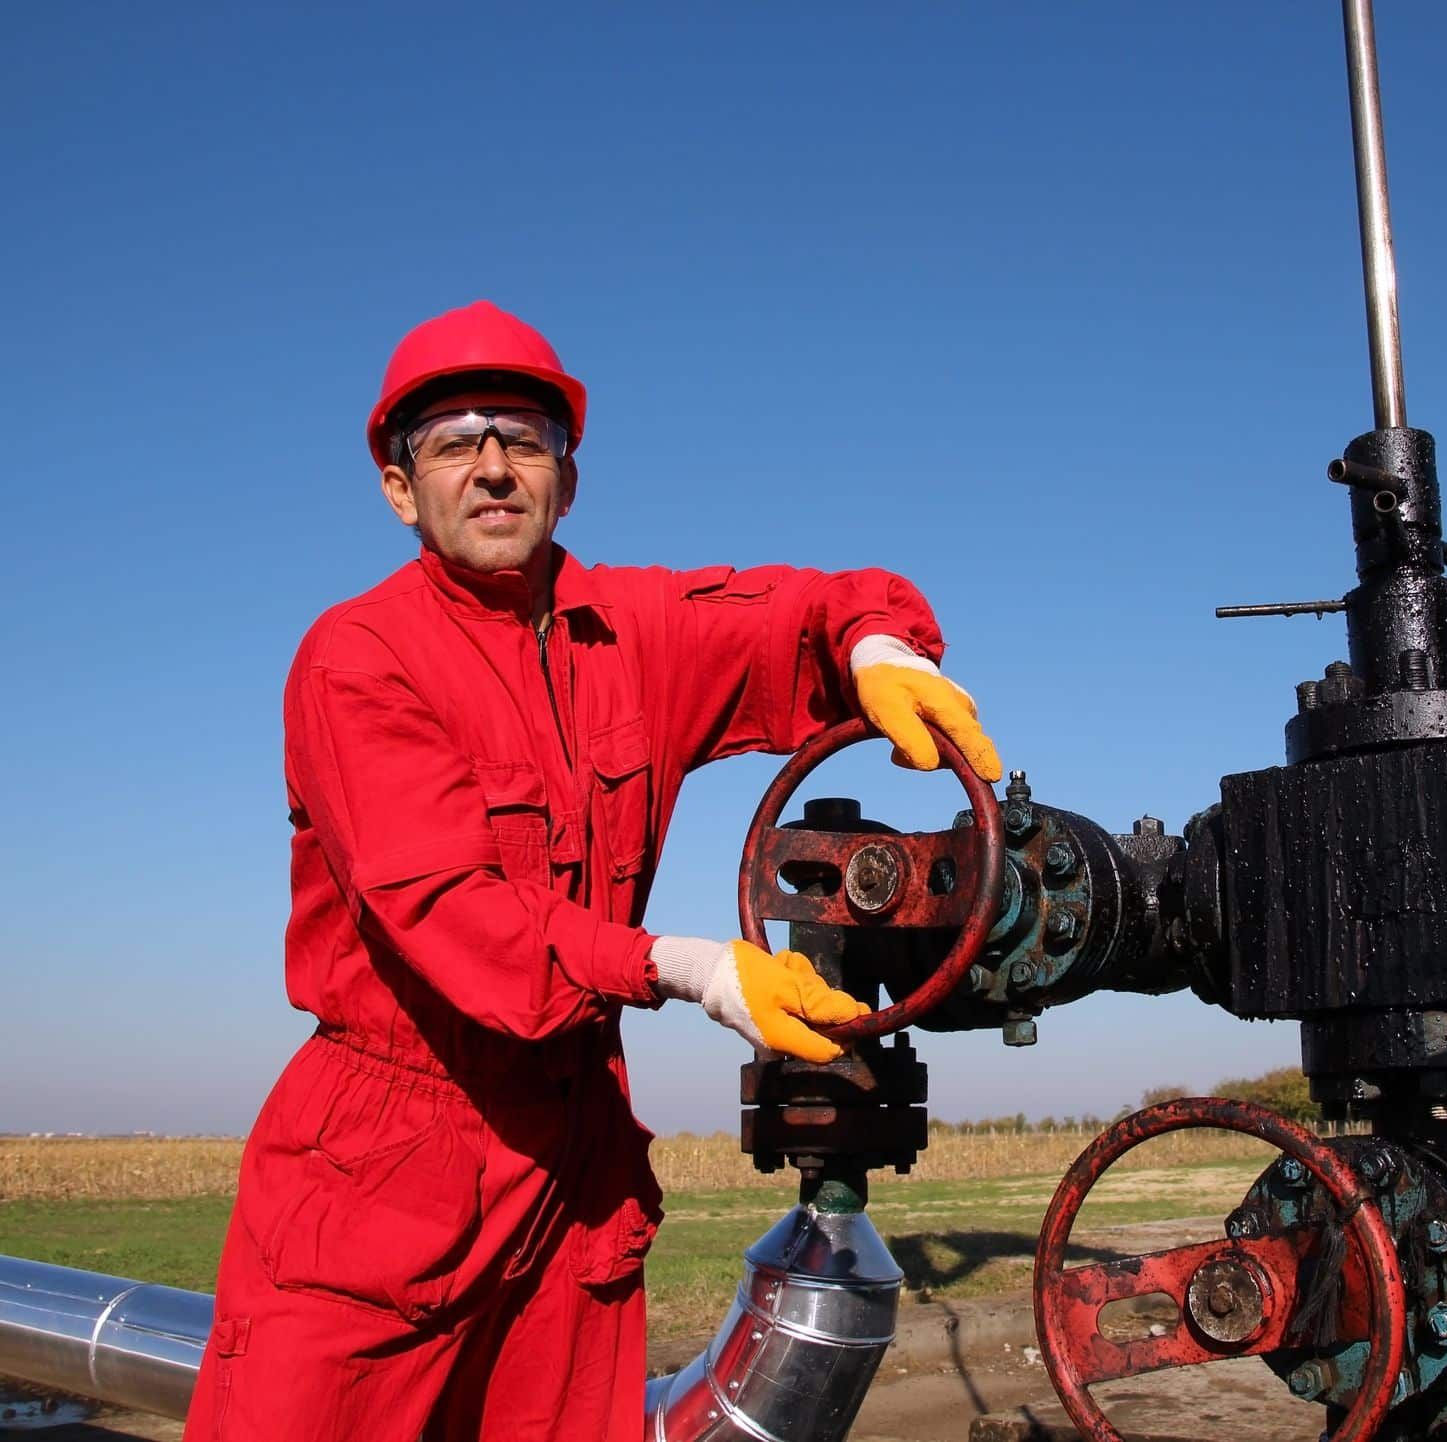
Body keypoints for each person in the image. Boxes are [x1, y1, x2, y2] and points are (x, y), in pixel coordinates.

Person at [182, 300, 1002, 1441]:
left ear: (566, 478)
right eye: (452, 441)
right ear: (396, 485)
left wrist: (872, 645)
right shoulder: (356, 657)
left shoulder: (632, 630)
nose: (492, 467)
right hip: (384, 1165)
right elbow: (459, 918)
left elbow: (821, 602)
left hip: (573, 1172)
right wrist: (698, 970)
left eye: (522, 436)